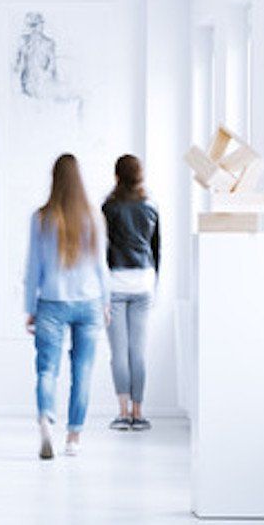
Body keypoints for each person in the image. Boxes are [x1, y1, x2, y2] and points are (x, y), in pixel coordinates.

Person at [24, 153, 110, 460]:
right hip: (89, 302)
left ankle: (46, 420)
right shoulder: (94, 217)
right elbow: (102, 265)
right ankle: (73, 438)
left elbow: (33, 268)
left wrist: (30, 307)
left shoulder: (42, 217)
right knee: (83, 371)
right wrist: (107, 303)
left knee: (47, 369)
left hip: (51, 300)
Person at [102, 155, 160, 431]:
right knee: (138, 352)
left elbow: (102, 250)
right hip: (144, 282)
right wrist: (154, 282)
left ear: (117, 176)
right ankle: (139, 413)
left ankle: (123, 413)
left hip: (115, 283)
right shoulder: (151, 206)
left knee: (119, 353)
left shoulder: (108, 207)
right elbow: (156, 250)